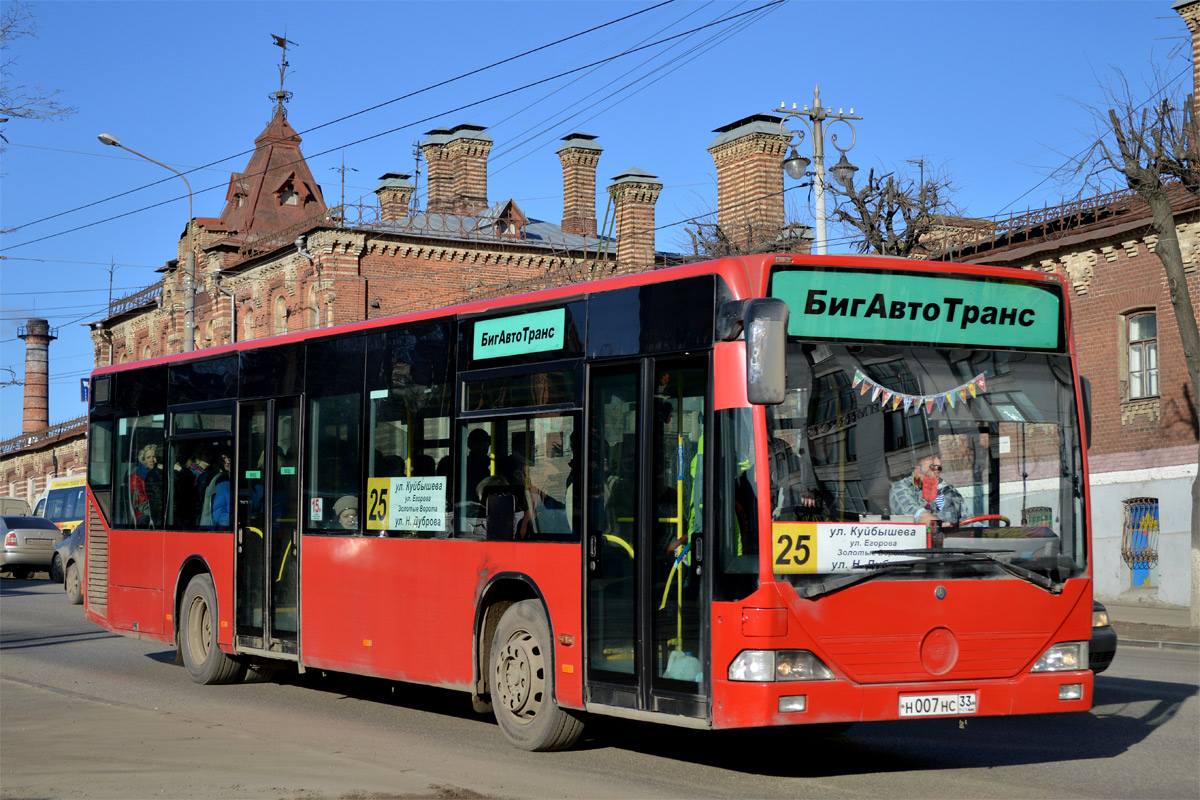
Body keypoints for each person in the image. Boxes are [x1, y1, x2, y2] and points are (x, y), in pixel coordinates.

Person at [889, 445, 964, 526]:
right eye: (932, 458)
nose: (938, 463)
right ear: (917, 464)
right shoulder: (900, 489)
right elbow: (917, 517)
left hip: (955, 538)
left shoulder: (948, 490)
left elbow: (968, 522)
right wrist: (946, 527)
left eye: (939, 457)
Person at [129, 444, 163, 527]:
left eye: (154, 457)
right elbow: (140, 503)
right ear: (143, 460)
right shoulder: (135, 477)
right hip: (144, 515)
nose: (152, 460)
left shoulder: (159, 473)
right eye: (148, 457)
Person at [199, 451, 231, 529]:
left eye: (229, 458)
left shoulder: (231, 479)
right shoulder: (208, 477)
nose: (227, 461)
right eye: (223, 458)